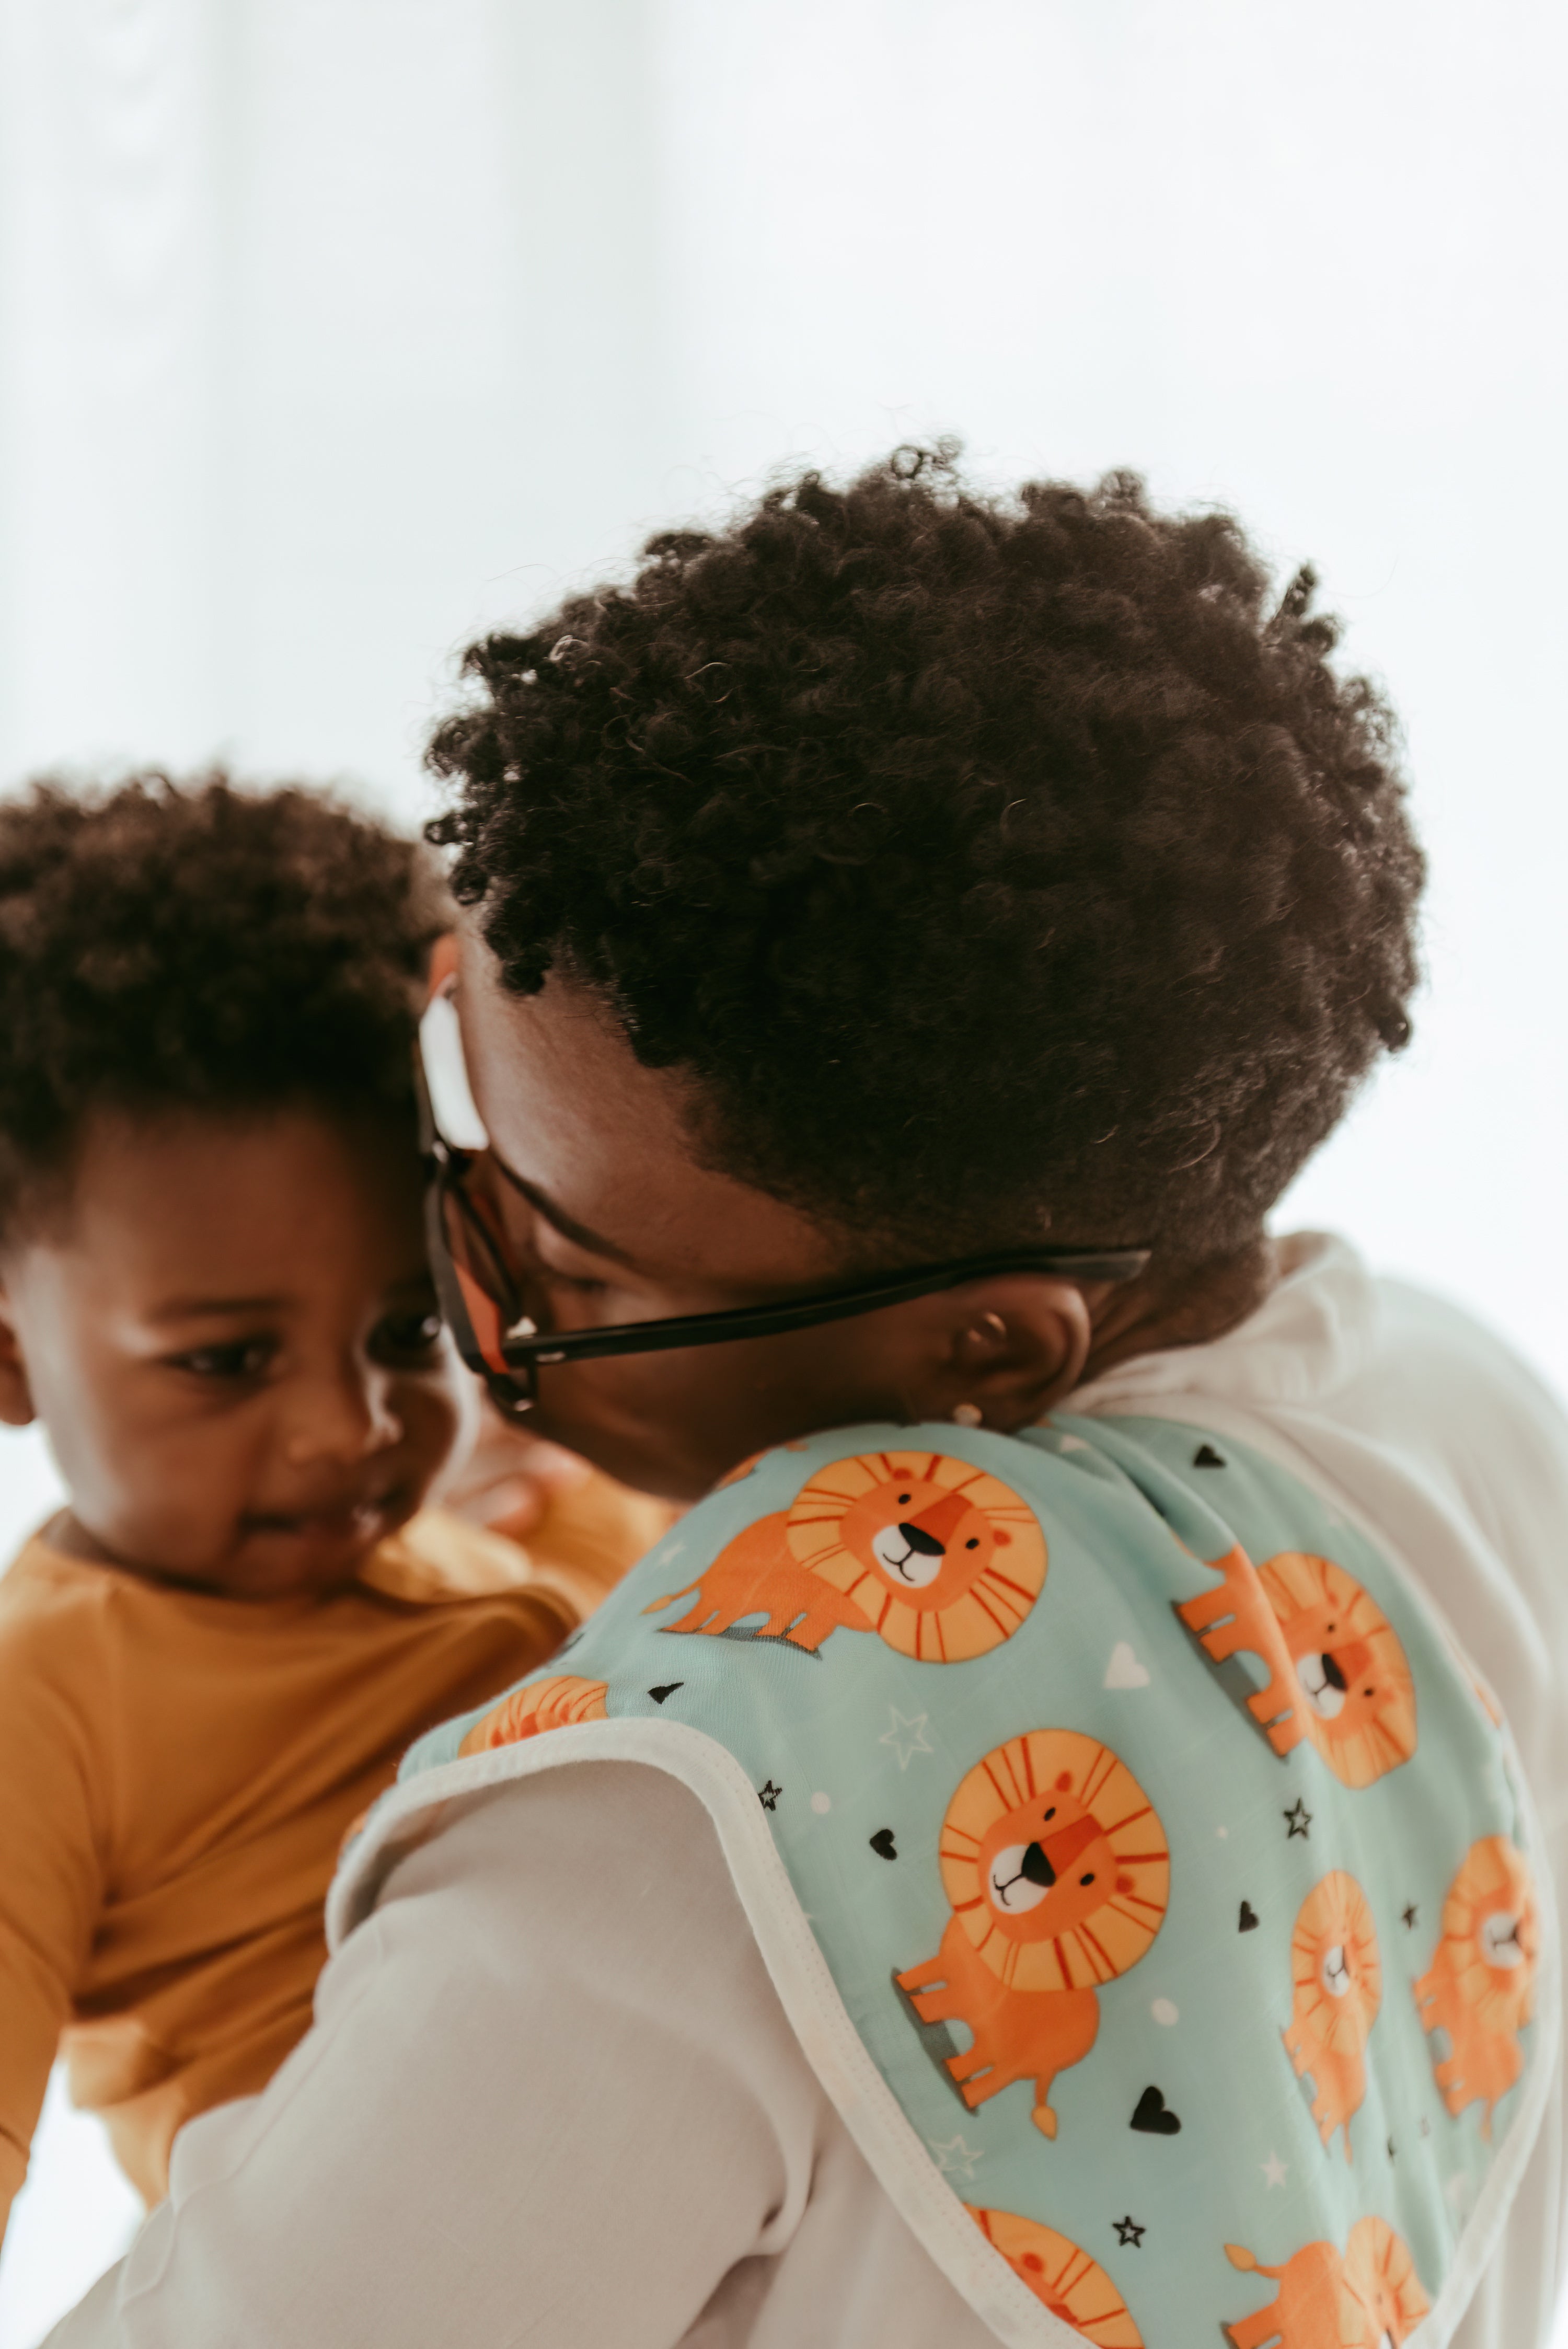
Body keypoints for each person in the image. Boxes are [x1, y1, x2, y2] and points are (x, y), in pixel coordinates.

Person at [48, 458, 1568, 2349]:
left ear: (982, 1353)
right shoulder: (1460, 1403)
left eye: (578, 1265)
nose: (466, 1288)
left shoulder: (689, 1784)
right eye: (458, 1086)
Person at [0, 777, 666, 2250]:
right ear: (9, 1354)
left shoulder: (534, 1541)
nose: (346, 1431)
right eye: (226, 1361)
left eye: (400, 1334)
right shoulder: (44, 1698)